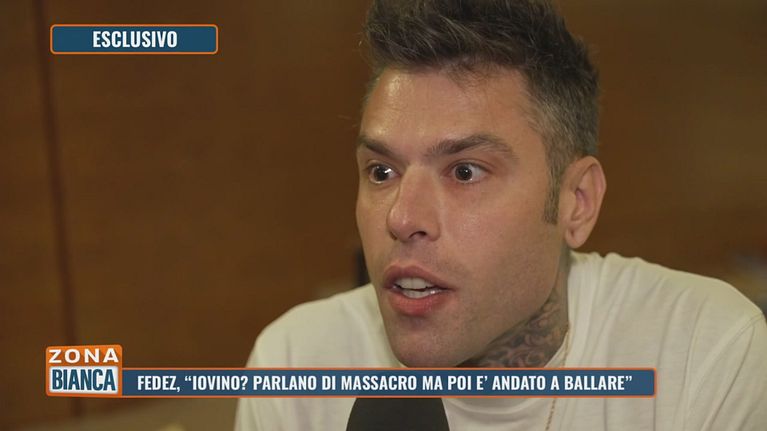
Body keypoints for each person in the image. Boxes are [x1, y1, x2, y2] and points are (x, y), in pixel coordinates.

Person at [235, 0, 767, 429]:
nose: (402, 217)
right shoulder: (295, 365)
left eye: (465, 171)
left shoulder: (703, 352)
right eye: (382, 171)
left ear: (576, 202)